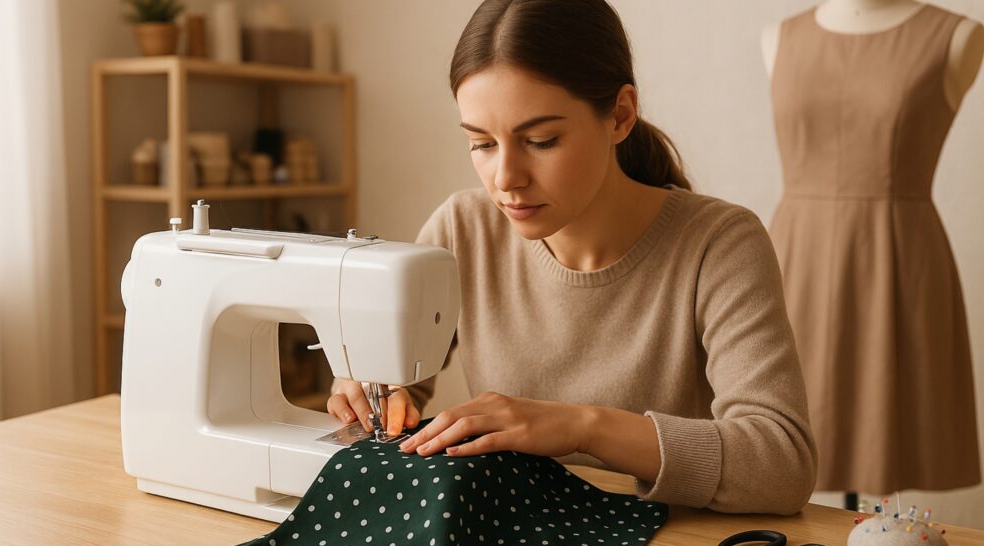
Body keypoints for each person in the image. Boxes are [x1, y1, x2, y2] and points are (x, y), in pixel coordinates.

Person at [328, 0, 817, 515]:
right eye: (481, 144)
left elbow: (780, 465)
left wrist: (581, 426)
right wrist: (370, 386)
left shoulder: (720, 245)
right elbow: (395, 380)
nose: (505, 179)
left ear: (620, 116)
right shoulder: (461, 228)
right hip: (512, 535)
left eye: (541, 140)